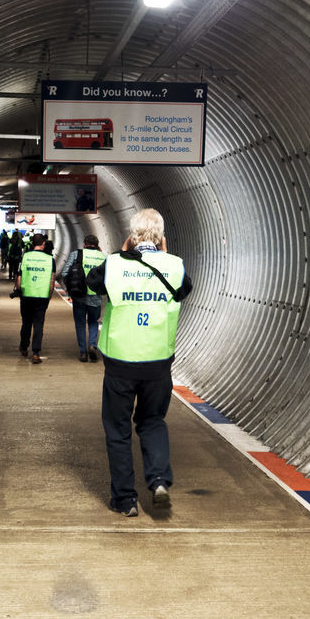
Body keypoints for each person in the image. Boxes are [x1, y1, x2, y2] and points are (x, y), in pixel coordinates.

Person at [86, 208, 192, 517]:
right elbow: (184, 291)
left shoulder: (115, 265)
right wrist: (165, 256)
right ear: (161, 238)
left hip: (120, 362)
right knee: (152, 422)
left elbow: (92, 284)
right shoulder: (174, 266)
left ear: (132, 237)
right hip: (158, 361)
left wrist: (120, 254)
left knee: (118, 430)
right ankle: (158, 480)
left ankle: (125, 500)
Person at [62, 234, 105, 362]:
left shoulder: (77, 254)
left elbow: (65, 272)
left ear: (84, 244)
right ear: (97, 246)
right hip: (95, 296)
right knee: (93, 322)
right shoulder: (103, 257)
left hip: (79, 295)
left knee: (80, 323)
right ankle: (92, 344)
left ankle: (82, 352)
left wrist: (70, 288)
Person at [16, 233, 55, 364]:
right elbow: (52, 280)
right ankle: (36, 353)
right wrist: (49, 296)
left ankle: (23, 347)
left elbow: (19, 277)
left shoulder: (25, 256)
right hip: (42, 296)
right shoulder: (50, 260)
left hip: (27, 295)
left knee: (26, 322)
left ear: (33, 243)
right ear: (43, 244)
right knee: (39, 324)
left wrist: (19, 291)